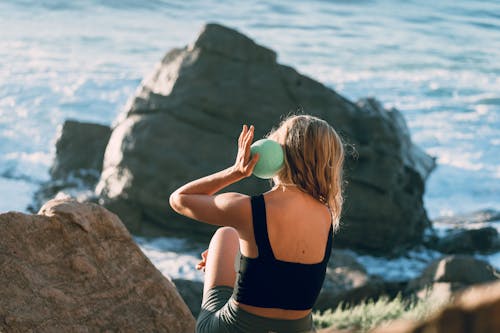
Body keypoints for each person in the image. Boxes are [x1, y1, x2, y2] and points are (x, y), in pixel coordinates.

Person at [169, 114, 345, 333]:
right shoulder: (326, 214)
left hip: (238, 328)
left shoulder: (248, 209)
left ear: (279, 154)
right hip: (298, 330)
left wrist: (235, 171)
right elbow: (284, 275)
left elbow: (179, 199)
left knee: (225, 234)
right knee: (238, 239)